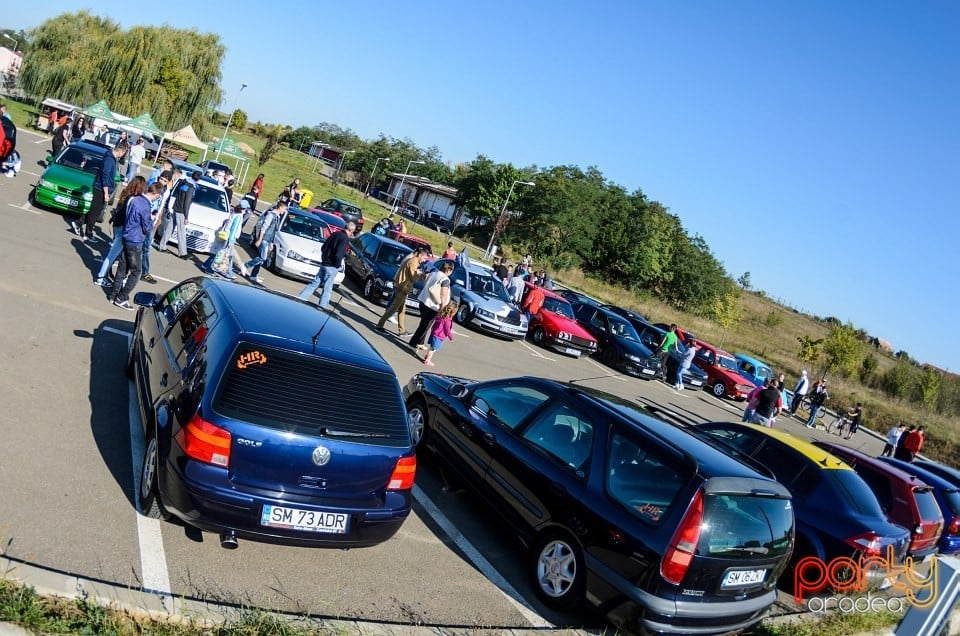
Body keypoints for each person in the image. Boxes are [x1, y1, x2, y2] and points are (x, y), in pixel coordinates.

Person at [107, 183, 163, 310]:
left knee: (122, 267)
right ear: (156, 194)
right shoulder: (145, 206)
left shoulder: (135, 199)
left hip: (127, 236)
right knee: (136, 272)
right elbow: (147, 227)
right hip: (135, 240)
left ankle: (114, 294)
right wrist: (152, 219)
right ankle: (122, 297)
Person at [93, 177, 147, 286]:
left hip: (117, 225)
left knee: (117, 254)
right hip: (123, 228)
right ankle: (101, 277)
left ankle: (108, 275)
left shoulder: (125, 193)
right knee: (112, 255)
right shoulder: (134, 199)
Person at [296, 220, 355, 309]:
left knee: (314, 283)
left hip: (324, 264)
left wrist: (325, 258)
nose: (351, 235)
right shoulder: (344, 238)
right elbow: (338, 254)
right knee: (327, 288)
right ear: (351, 231)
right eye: (352, 233)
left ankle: (300, 298)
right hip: (332, 266)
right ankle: (322, 307)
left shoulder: (335, 234)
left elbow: (323, 247)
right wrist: (337, 265)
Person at [73, 143, 124, 241]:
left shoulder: (111, 158)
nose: (122, 156)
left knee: (94, 211)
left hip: (101, 188)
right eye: (122, 153)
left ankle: (78, 223)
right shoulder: (109, 160)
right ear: (120, 151)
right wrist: (106, 192)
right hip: (100, 189)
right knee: (95, 212)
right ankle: (88, 233)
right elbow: (105, 176)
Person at [376, 247, 429, 336]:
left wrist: (418, 272)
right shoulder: (413, 261)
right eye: (424, 258)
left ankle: (402, 330)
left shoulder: (413, 260)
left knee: (402, 309)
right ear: (420, 255)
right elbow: (413, 277)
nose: (424, 260)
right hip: (402, 288)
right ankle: (380, 325)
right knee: (394, 307)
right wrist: (424, 276)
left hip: (402, 287)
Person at [140, 169, 174, 284]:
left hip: (152, 221)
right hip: (144, 219)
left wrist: (157, 219)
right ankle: (140, 270)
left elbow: (161, 206)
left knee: (146, 247)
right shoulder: (152, 185)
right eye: (161, 179)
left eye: (165, 180)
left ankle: (144, 272)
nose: (162, 182)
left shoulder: (167, 191)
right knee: (138, 245)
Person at [410, 261, 454, 348]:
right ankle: (413, 343)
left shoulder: (433, 273)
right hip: (432, 306)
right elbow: (443, 295)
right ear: (448, 270)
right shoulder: (445, 279)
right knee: (424, 326)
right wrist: (443, 308)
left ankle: (420, 343)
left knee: (423, 323)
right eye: (451, 270)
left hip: (423, 301)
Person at [159, 171, 200, 258]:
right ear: (198, 179)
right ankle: (182, 253)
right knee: (181, 232)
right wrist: (186, 216)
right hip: (181, 211)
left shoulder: (184, 182)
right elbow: (187, 202)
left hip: (175, 208)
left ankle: (162, 246)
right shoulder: (191, 187)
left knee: (170, 228)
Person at [244, 202, 286, 283]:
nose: (284, 211)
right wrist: (259, 240)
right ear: (280, 207)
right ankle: (245, 265)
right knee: (263, 257)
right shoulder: (271, 215)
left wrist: (271, 243)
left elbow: (273, 231)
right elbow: (264, 228)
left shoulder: (277, 217)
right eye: (284, 209)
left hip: (268, 240)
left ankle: (253, 275)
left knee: (261, 258)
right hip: (264, 239)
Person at [203, 200, 246, 278]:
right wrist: (231, 241)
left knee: (220, 252)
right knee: (223, 255)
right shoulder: (239, 216)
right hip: (229, 238)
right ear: (244, 208)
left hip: (225, 235)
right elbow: (234, 229)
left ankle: (206, 265)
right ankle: (210, 269)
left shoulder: (234, 212)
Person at [422, 302, 457, 367]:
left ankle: (427, 356)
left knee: (432, 348)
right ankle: (428, 360)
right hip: (439, 336)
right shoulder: (447, 320)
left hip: (435, 333)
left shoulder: (441, 315)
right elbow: (447, 329)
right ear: (452, 312)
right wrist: (450, 336)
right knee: (433, 349)